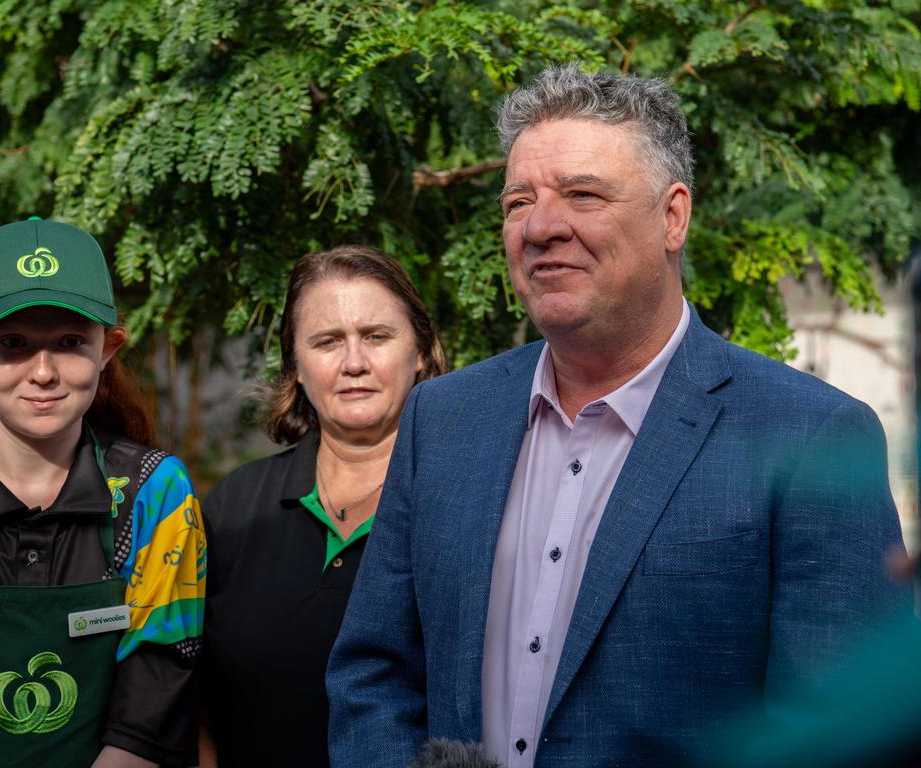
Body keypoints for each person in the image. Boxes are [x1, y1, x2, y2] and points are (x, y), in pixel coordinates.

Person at [326, 66, 910, 768]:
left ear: (673, 216)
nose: (542, 226)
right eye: (518, 203)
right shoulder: (443, 419)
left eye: (583, 194)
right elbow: (373, 676)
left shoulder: (806, 435)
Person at [0, 217, 206, 768]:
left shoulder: (155, 491)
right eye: (12, 343)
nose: (43, 372)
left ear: (107, 348)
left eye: (69, 343)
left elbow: (155, 698)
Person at [199, 245, 446, 767]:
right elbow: (187, 693)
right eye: (327, 341)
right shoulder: (233, 511)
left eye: (376, 337)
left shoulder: (470, 501)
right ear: (296, 365)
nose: (354, 362)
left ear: (420, 352)